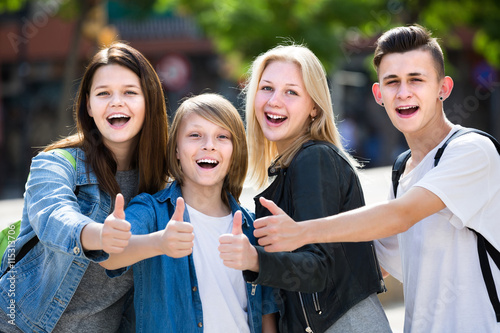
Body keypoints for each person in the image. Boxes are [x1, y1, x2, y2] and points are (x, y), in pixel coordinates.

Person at [252, 25, 500, 332]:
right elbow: (370, 263)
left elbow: (401, 215)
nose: (403, 92)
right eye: (392, 82)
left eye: (416, 80)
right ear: (379, 94)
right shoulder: (403, 171)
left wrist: (301, 232)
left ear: (443, 88)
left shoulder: (472, 151)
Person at [220, 44, 391, 333]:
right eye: (267, 88)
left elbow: (318, 269)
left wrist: (254, 260)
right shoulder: (292, 167)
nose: (274, 100)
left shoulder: (315, 159)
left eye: (291, 92)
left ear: (314, 106)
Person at [0, 42, 169, 332]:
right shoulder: (54, 163)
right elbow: (54, 216)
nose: (116, 102)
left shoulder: (161, 184)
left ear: (149, 101)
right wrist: (100, 235)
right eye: (103, 93)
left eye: (130, 92)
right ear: (89, 105)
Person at [100, 93, 278, 333]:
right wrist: (160, 243)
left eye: (222, 136)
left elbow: (266, 315)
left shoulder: (253, 227)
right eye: (195, 135)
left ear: (235, 151)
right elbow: (109, 257)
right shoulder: (152, 210)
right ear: (176, 150)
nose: (209, 145)